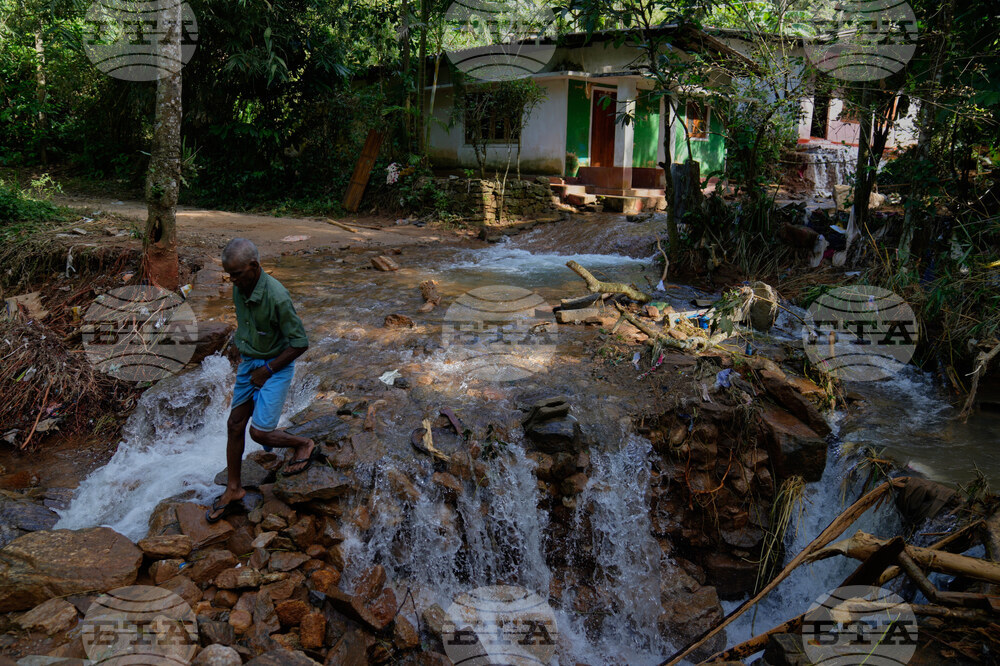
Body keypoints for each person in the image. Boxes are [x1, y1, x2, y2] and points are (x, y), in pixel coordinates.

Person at [206, 238, 316, 523]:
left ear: (254, 267)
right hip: (250, 364)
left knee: (260, 433)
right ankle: (234, 489)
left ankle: (304, 444)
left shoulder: (277, 297)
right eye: (229, 275)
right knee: (234, 425)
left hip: (276, 366)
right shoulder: (240, 288)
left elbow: (300, 343)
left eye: (237, 274)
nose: (232, 280)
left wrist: (267, 370)